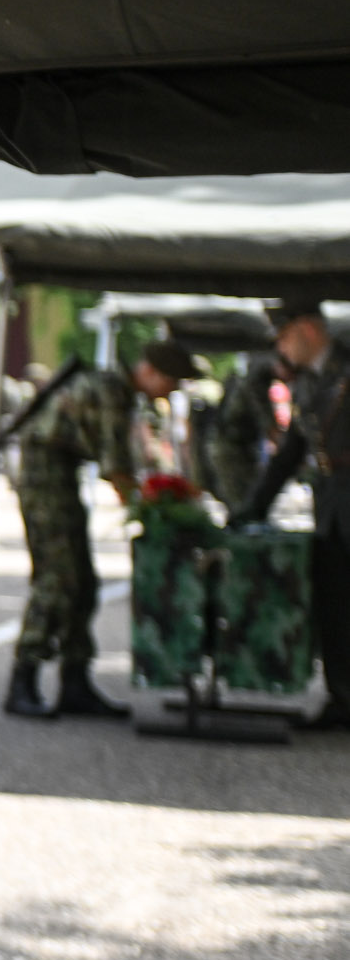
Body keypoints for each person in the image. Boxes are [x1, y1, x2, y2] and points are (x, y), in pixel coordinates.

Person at [5, 340, 195, 718]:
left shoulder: (116, 389)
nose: (172, 392)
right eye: (172, 382)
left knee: (83, 583)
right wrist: (151, 511)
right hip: (46, 477)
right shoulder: (112, 393)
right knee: (57, 582)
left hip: (58, 475)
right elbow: (116, 467)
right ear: (151, 373)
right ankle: (22, 681)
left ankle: (75, 682)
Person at [234, 299, 349, 728]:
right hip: (332, 509)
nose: (280, 347)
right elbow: (288, 457)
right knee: (335, 608)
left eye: (284, 335)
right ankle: (344, 698)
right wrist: (250, 510)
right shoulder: (307, 385)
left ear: (308, 330)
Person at [206, 346, 290, 514]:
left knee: (242, 500)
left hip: (232, 447)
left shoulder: (246, 379)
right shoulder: (255, 383)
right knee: (242, 504)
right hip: (232, 450)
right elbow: (269, 425)